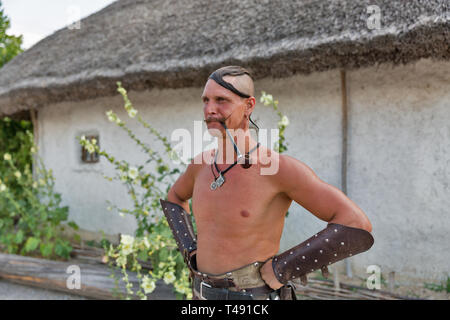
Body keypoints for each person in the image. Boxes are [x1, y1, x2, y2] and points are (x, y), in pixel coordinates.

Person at [160, 66, 374, 300]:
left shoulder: (278, 168)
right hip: (201, 293)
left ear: (249, 106)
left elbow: (355, 223)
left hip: (253, 297)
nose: (210, 110)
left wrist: (283, 268)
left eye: (221, 100)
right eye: (206, 100)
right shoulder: (200, 165)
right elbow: (175, 199)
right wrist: (189, 249)